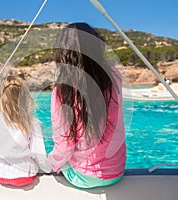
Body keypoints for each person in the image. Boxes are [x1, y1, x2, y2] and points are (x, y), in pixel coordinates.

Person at [48, 22, 126, 188]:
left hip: (83, 177)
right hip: (117, 171)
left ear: (63, 54)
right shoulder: (115, 76)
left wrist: (49, 164)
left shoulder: (62, 91)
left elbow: (64, 147)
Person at [0, 76, 51, 187]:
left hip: (0, 174)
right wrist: (48, 169)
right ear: (25, 98)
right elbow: (39, 154)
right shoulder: (32, 123)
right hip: (26, 175)